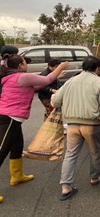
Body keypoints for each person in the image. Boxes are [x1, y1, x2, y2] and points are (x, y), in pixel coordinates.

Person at [0, 54, 68, 203]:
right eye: (25, 62)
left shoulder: (15, 77)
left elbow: (38, 85)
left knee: (17, 146)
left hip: (13, 118)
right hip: (9, 117)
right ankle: (16, 176)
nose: (27, 65)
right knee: (2, 150)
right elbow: (46, 80)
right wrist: (60, 67)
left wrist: (56, 73)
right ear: (19, 66)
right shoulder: (22, 76)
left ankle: (16, 176)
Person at [51, 56, 100, 201]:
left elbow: (55, 101)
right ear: (97, 68)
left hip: (71, 125)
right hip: (91, 125)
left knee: (70, 154)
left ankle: (66, 187)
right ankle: (95, 177)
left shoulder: (71, 81)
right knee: (95, 152)